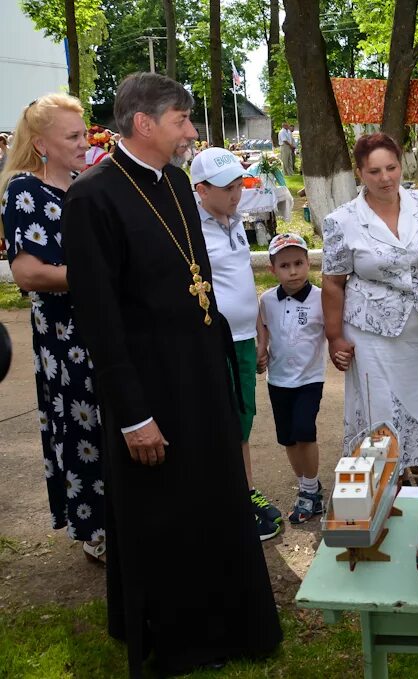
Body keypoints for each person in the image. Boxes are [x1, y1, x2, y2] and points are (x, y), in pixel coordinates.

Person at [60, 72, 281, 676]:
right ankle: (180, 636)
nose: (191, 133)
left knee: (213, 500)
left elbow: (196, 278)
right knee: (165, 515)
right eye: (182, 121)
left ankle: (232, 622)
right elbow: (100, 320)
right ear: (144, 124)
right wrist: (133, 415)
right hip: (149, 388)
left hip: (199, 377)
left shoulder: (179, 184)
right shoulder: (93, 197)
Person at [0, 94, 107, 561]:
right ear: (42, 144)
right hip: (66, 336)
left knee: (112, 423)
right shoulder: (24, 192)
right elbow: (27, 274)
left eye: (84, 134)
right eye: (74, 136)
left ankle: (119, 518)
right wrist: (102, 278)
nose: (85, 143)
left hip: (101, 327)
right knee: (82, 427)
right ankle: (95, 530)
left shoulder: (84, 186)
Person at [321, 133, 418, 474]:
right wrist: (335, 337)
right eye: (374, 171)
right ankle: (379, 480)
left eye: (391, 168)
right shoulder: (343, 221)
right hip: (370, 334)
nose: (385, 178)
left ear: (402, 163)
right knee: (378, 404)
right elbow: (332, 283)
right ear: (359, 173)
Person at [191, 146, 283, 539]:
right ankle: (226, 499)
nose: (236, 194)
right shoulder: (190, 232)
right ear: (201, 189)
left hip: (246, 340)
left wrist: (261, 332)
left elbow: (244, 281)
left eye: (239, 186)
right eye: (227, 188)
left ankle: (243, 491)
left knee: (242, 420)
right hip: (216, 343)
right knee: (221, 421)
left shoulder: (233, 221)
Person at [257, 233, 326, 523]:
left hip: (310, 379)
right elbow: (263, 326)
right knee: (287, 438)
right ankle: (305, 484)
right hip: (279, 381)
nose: (293, 271)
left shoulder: (322, 299)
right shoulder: (267, 300)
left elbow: (334, 331)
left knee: (303, 430)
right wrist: (262, 349)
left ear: (308, 263)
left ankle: (311, 494)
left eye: (299, 263)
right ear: (272, 270)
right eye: (285, 266)